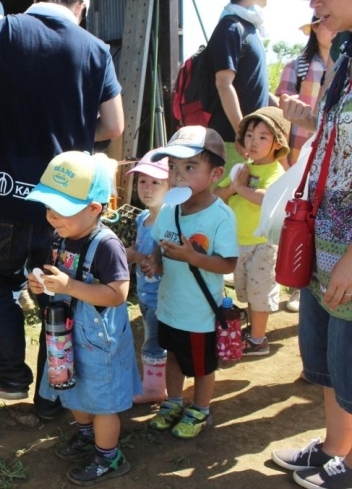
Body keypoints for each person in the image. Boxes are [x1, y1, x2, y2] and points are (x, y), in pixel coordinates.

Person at [0, 0, 124, 420]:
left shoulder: (1, 31)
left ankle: (11, 378)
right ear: (81, 4)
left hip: (3, 190)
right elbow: (114, 126)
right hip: (64, 201)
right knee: (58, 292)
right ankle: (53, 395)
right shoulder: (95, 49)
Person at [272, 2, 352, 487]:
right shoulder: (343, 55)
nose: (312, 4)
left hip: (347, 246)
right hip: (325, 231)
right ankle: (334, 448)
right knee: (327, 356)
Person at [25, 151, 136, 485]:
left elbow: (118, 294)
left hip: (100, 340)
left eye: (63, 210)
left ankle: (109, 456)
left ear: (94, 209)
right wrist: (41, 284)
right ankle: (85, 434)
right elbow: (56, 280)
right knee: (71, 387)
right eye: (49, 208)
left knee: (102, 401)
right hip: (65, 335)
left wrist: (70, 285)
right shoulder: (60, 237)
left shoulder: (107, 245)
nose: (53, 216)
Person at [141, 126, 239, 440]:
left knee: (201, 365)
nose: (178, 175)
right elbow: (159, 241)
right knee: (172, 354)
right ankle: (172, 401)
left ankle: (201, 408)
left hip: (200, 314)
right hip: (169, 305)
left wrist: (191, 257)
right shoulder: (169, 209)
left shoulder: (221, 216)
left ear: (216, 173)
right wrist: (155, 260)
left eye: (190, 167)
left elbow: (228, 263)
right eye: (173, 167)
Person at [214, 106, 288, 357]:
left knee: (260, 292)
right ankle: (252, 331)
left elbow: (267, 198)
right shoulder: (242, 168)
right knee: (245, 289)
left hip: (262, 244)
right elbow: (218, 195)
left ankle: (258, 339)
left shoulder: (275, 172)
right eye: (250, 135)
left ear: (277, 143)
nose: (253, 142)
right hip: (237, 242)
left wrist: (240, 188)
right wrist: (234, 188)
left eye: (263, 137)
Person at [275, 15, 336, 314]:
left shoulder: (343, 65)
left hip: (331, 162)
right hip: (299, 160)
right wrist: (284, 158)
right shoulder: (297, 66)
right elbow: (280, 113)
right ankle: (298, 285)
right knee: (299, 222)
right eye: (320, 23)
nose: (327, 28)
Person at [125, 150, 170, 404]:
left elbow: (162, 262)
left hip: (160, 296)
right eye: (143, 181)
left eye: (156, 182)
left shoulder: (167, 220)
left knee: (153, 342)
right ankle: (155, 384)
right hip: (145, 294)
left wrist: (137, 257)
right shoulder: (143, 218)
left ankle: (154, 389)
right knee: (151, 337)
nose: (147, 188)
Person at [206, 0, 272, 172]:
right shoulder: (230, 27)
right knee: (228, 197)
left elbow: (251, 82)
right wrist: (242, 134)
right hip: (231, 142)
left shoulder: (248, 26)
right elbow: (223, 84)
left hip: (246, 143)